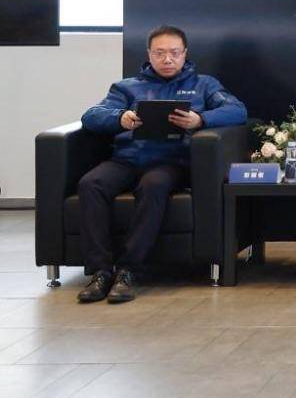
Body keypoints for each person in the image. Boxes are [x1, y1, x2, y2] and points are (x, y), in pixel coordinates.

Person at [77, 24, 247, 303]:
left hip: (171, 162)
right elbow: (91, 115)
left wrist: (201, 120)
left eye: (174, 53)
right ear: (149, 54)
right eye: (160, 53)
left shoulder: (204, 85)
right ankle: (100, 272)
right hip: (127, 159)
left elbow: (237, 110)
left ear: (185, 53)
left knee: (153, 185)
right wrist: (120, 118)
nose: (167, 59)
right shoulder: (126, 87)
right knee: (90, 183)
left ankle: (129, 270)